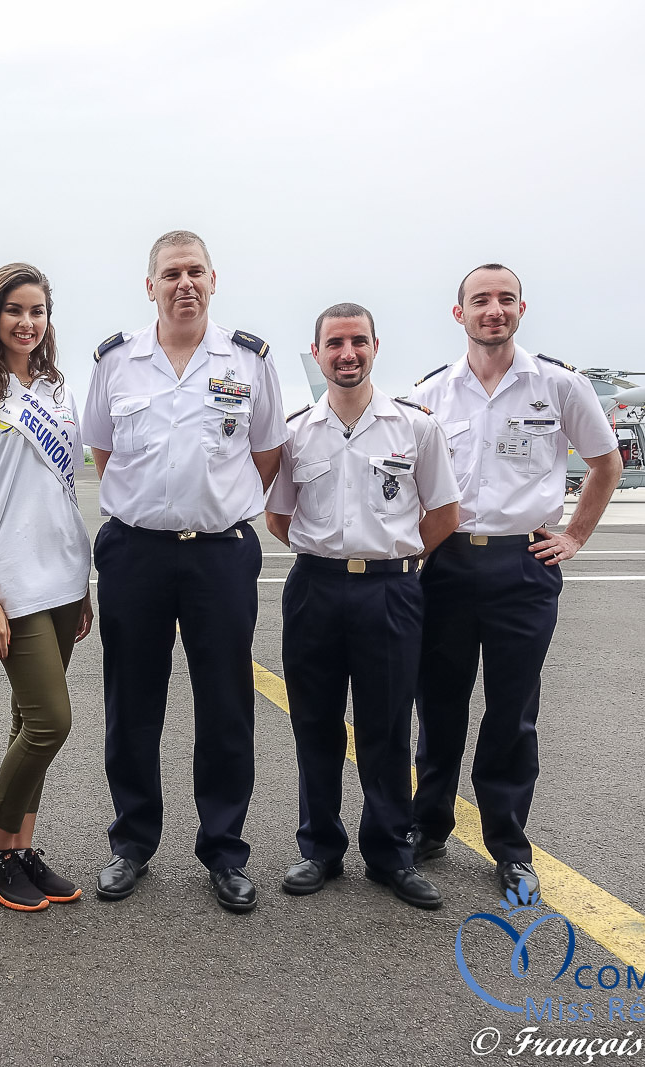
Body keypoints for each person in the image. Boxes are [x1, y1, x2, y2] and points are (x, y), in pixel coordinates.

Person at [83, 230, 286, 912]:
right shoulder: (117, 361)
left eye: (195, 271)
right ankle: (131, 843)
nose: (185, 284)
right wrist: (153, 509)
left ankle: (224, 851)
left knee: (225, 703)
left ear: (213, 279)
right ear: (151, 286)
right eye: (171, 274)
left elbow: (266, 453)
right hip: (134, 551)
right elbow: (104, 452)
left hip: (219, 552)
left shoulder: (249, 360)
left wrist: (213, 505)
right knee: (131, 702)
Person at [409, 264, 621, 896]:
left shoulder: (559, 385)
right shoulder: (430, 392)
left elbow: (606, 462)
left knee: (512, 709)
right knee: (438, 702)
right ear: (460, 314)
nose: (493, 310)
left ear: (521, 310)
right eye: (481, 300)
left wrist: (574, 535)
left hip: (522, 567)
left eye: (506, 299)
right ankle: (429, 826)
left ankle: (507, 844)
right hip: (446, 564)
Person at [265, 303, 460, 910]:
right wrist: (328, 553)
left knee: (387, 725)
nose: (347, 354)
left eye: (358, 342)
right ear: (317, 353)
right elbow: (278, 516)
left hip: (390, 592)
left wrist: (395, 559)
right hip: (315, 589)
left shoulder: (416, 428)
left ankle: (390, 852)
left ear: (376, 346)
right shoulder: (295, 433)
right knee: (314, 722)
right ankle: (319, 849)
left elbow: (444, 512)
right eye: (335, 343)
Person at [0, 262, 93, 912]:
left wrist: (84, 585)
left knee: (25, 721)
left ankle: (21, 850)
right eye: (15, 310)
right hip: (12, 583)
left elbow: (64, 492)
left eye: (37, 311)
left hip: (64, 578)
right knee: (50, 722)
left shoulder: (58, 391)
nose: (27, 322)